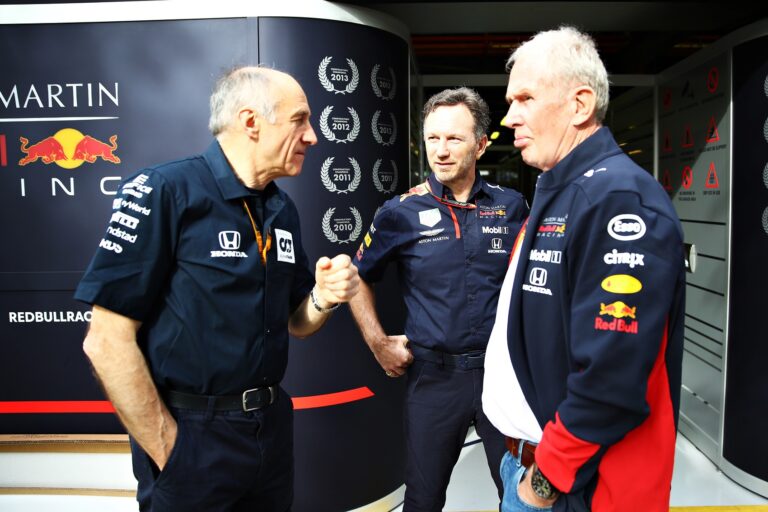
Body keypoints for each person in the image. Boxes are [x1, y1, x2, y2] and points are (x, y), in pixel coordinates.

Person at [75, 66, 359, 511]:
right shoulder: (165, 190)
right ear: (251, 122)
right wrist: (168, 447)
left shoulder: (281, 210)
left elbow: (297, 324)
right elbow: (106, 342)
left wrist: (323, 296)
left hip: (269, 431)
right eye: (300, 119)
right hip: (192, 436)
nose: (312, 136)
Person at [482, 26, 686, 512]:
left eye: (526, 98)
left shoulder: (616, 199)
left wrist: (543, 482)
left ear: (579, 105)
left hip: (574, 489)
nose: (510, 117)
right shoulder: (563, 189)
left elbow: (611, 379)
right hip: (534, 466)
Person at [349, 87, 529, 511]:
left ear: (481, 144)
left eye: (454, 138)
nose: (441, 151)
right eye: (433, 138)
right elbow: (358, 277)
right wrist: (378, 343)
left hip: (501, 375)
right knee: (424, 500)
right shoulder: (399, 212)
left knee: (521, 495)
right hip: (434, 380)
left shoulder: (512, 206)